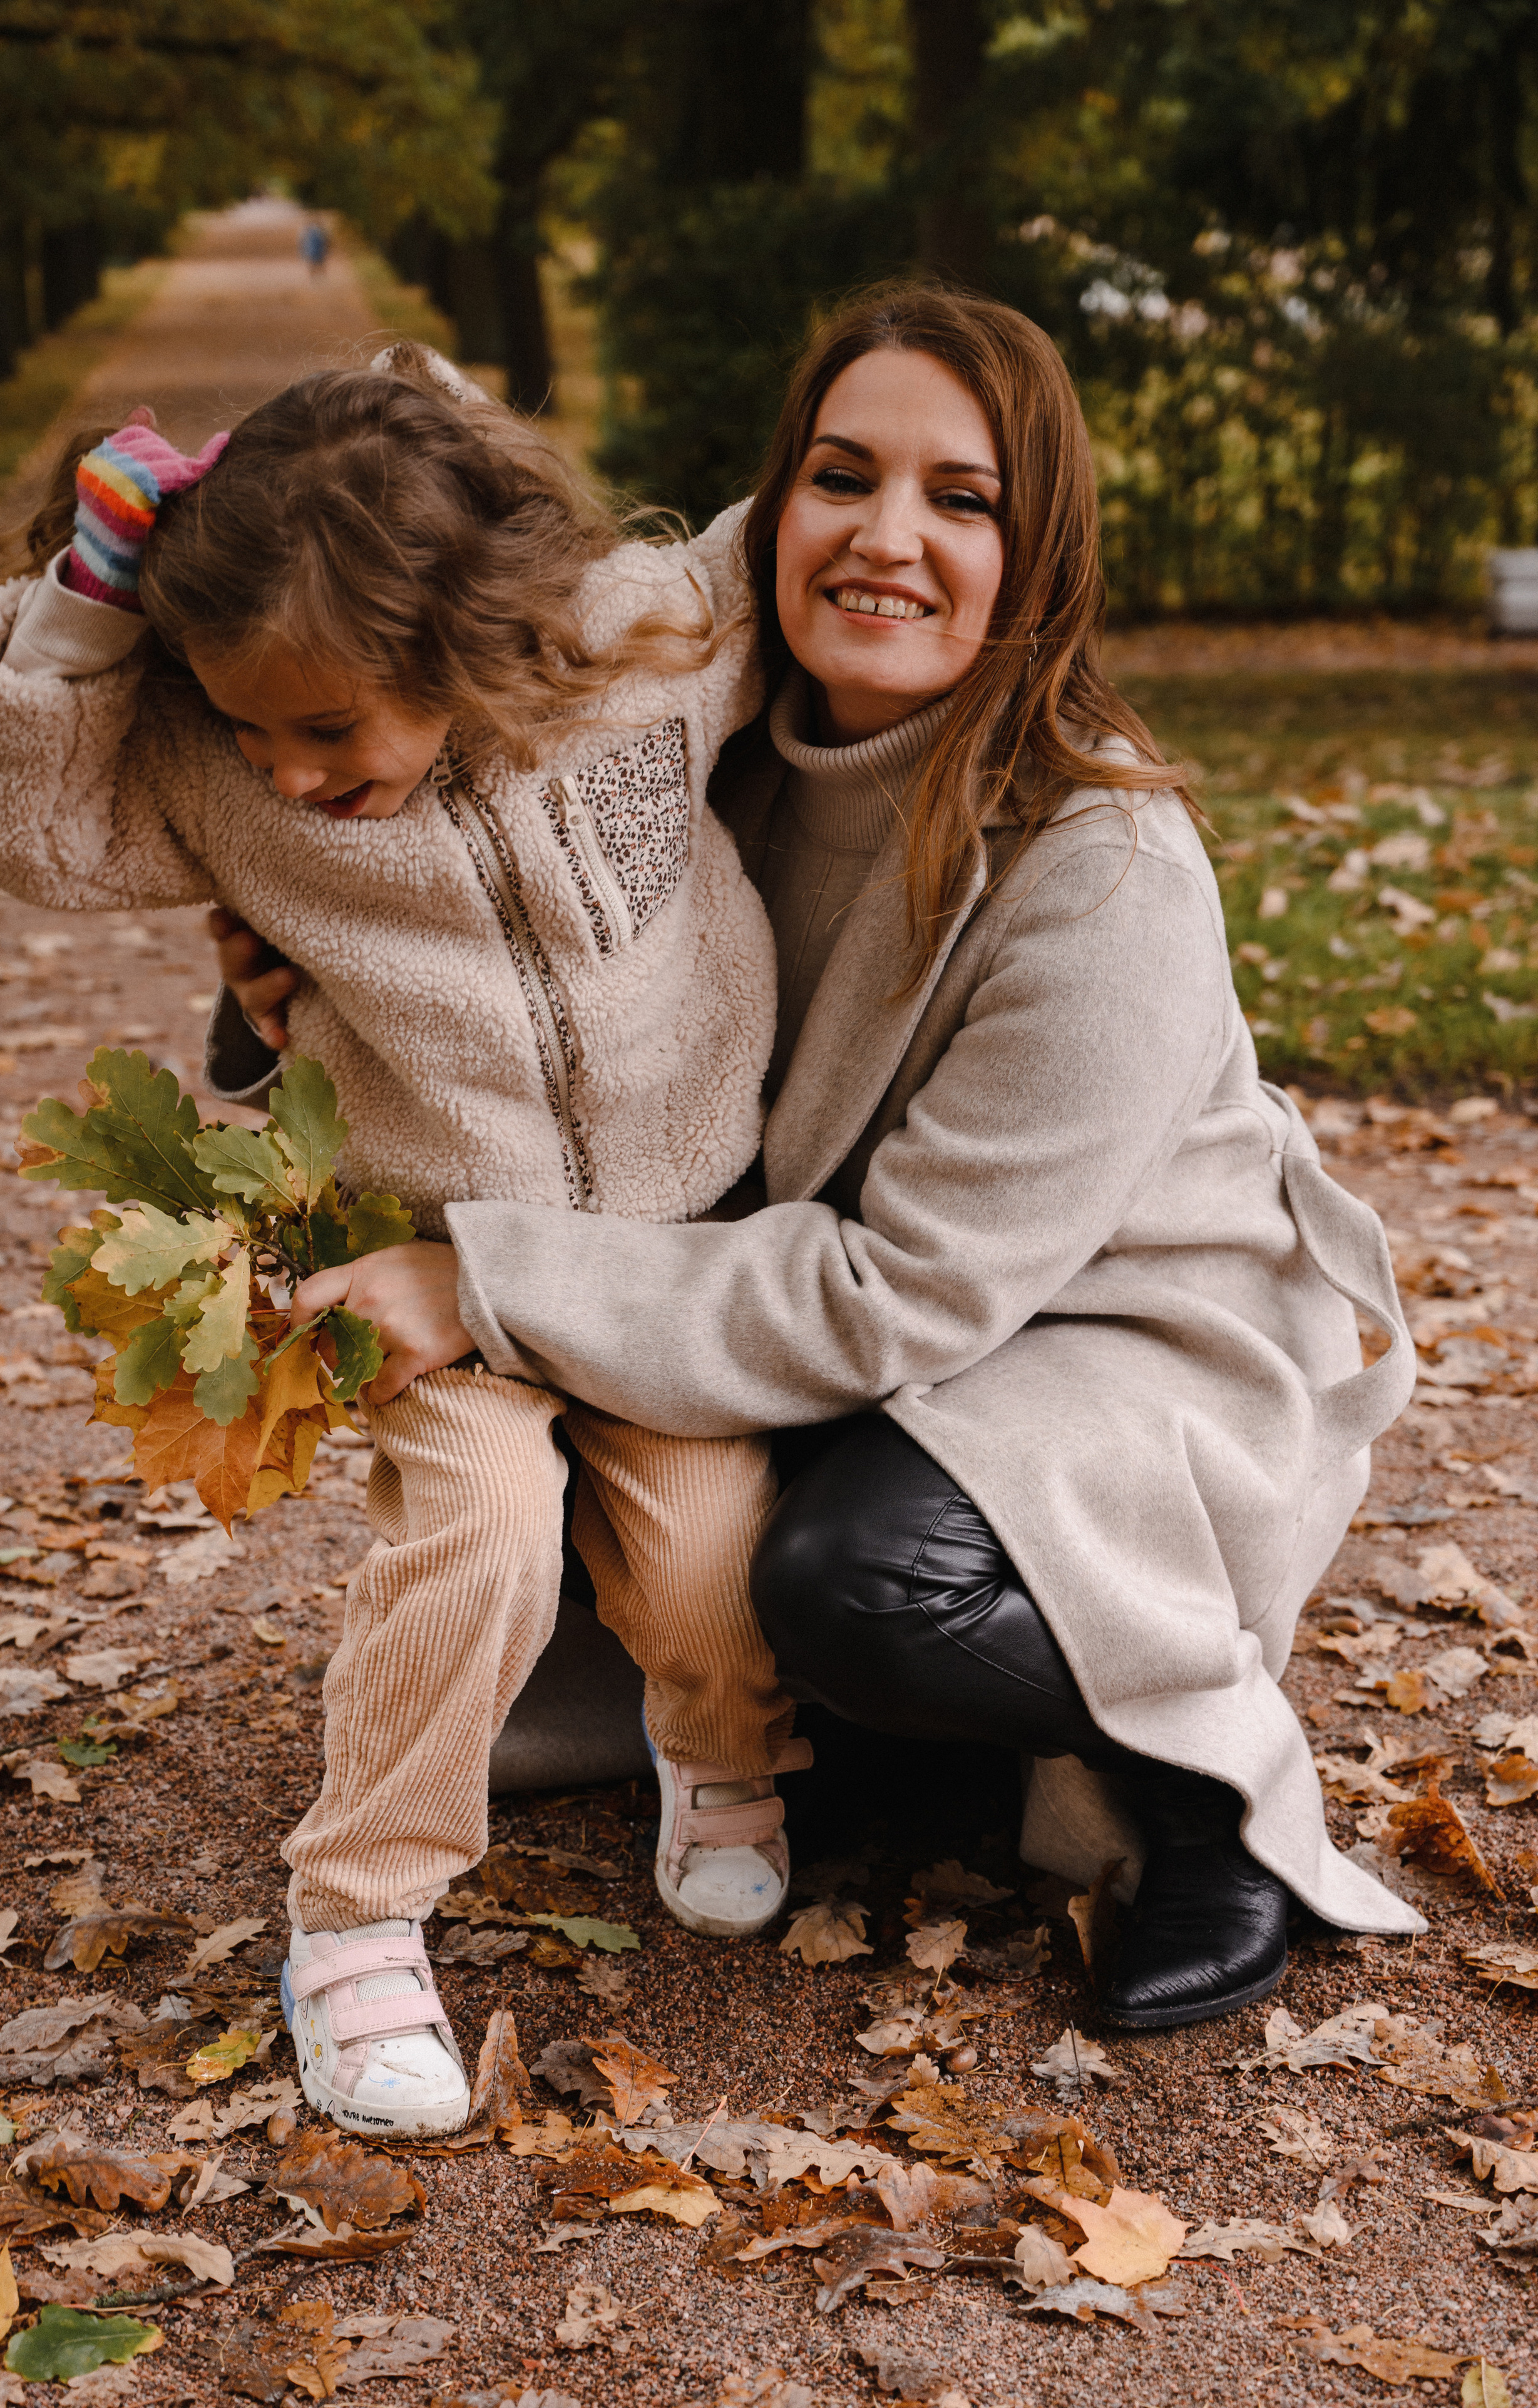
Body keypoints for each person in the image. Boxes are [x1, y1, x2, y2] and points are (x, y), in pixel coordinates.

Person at [214, 285, 1425, 2032]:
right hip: (804, 1290)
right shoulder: (688, 753)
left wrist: (476, 1281)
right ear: (770, 510)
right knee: (639, 1517)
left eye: (962, 499)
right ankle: (848, 1744)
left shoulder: (1108, 869)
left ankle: (1192, 1785)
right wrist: (274, 1013)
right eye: (842, 477)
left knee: (854, 1576)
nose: (886, 537)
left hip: (1100, 1331)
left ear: (1044, 553)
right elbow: (522, 1022)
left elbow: (904, 1287)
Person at [0, 344, 816, 2139]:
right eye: (255, 727)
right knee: (480, 1544)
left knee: (716, 1549)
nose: (292, 767)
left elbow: (761, 554)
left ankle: (719, 1758)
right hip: (433, 1269)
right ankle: (358, 1912)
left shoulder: (627, 659)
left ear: (465, 633)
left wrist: (451, 428)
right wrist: (88, 612)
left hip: (674, 1254)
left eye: (328, 726)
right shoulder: (217, 773)